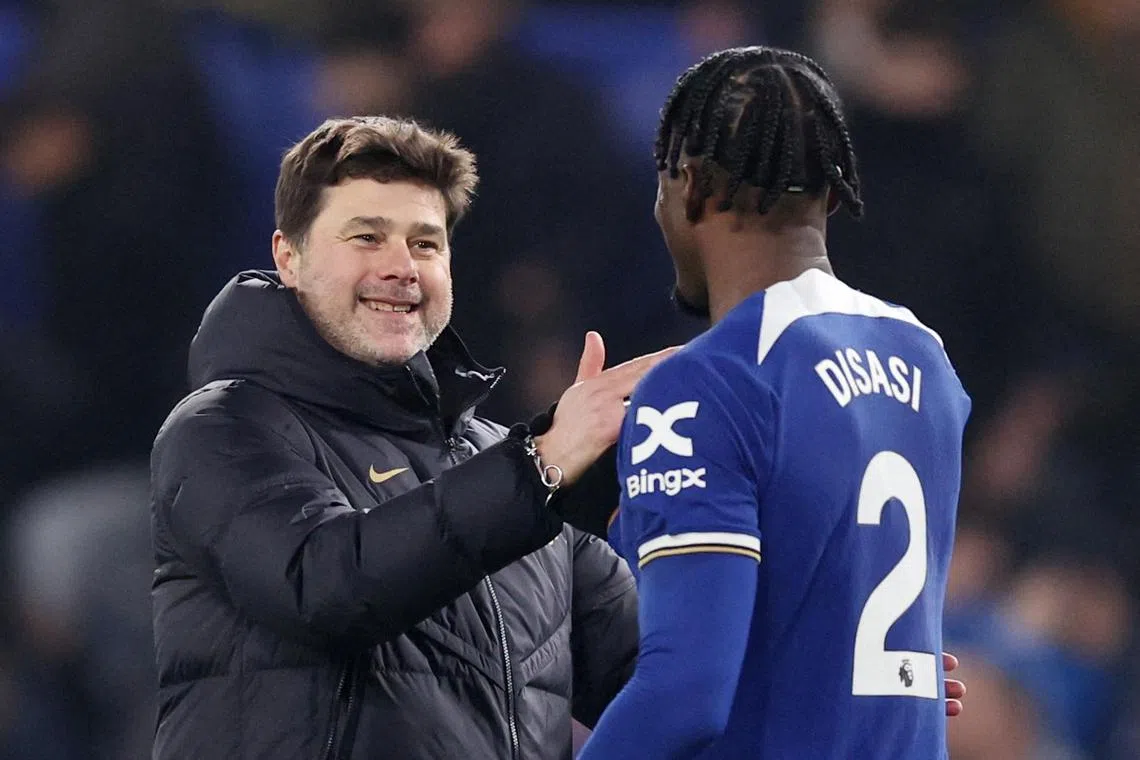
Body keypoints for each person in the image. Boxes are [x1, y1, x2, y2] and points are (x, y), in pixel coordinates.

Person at [148, 116, 671, 759]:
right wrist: (540, 465)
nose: (401, 267)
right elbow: (326, 588)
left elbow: (665, 681)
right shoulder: (222, 428)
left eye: (426, 243)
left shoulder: (507, 470)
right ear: (290, 256)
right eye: (367, 237)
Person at [580, 47, 971, 759]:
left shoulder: (708, 384)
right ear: (829, 190)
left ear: (691, 185)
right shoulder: (928, 360)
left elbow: (684, 694)